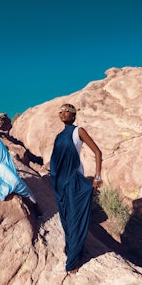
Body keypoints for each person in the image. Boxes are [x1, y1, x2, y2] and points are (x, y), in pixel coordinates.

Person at [50, 103, 102, 274]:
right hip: (60, 182)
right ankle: (74, 249)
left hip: (74, 180)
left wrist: (97, 177)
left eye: (68, 111)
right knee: (65, 218)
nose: (64, 113)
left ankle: (73, 260)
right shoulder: (58, 136)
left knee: (75, 218)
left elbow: (97, 152)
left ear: (73, 115)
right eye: (61, 111)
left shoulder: (78, 131)